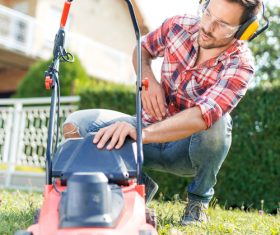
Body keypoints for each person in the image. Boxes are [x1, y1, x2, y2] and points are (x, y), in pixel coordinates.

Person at [63, 0, 262, 225]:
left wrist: (141, 133)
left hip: (185, 150)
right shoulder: (178, 26)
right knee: (77, 124)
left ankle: (198, 203)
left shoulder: (241, 65)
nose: (207, 27)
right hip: (143, 133)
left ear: (243, 31)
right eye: (207, 14)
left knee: (217, 124)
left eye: (222, 25)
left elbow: (202, 115)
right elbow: (143, 48)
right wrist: (146, 76)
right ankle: (137, 184)